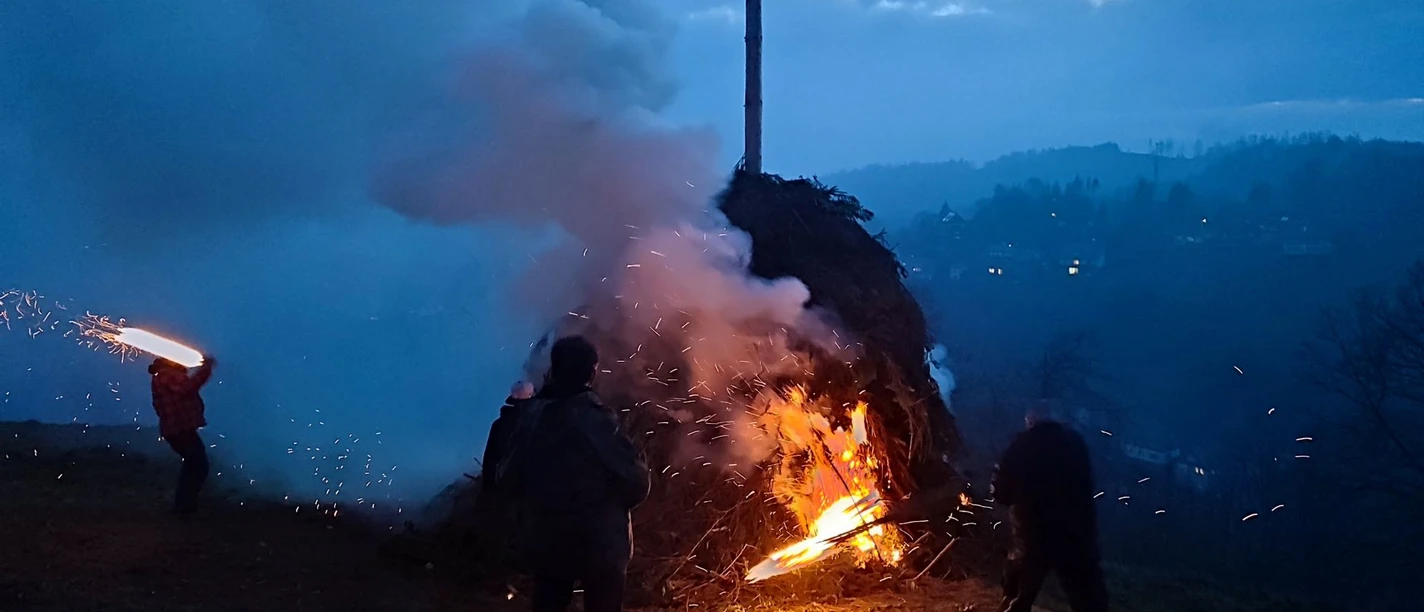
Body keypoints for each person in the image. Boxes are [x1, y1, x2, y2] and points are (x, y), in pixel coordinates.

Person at [496, 336, 650, 612]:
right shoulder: (595, 419)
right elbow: (637, 481)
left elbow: (507, 478)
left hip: (547, 542)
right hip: (599, 546)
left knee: (549, 601)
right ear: (592, 372)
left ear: (553, 369)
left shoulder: (531, 417)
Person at [991, 405, 1109, 612]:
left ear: (1031, 420)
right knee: (1088, 599)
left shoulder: (1020, 445)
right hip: (1076, 536)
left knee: (1018, 596)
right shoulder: (1075, 443)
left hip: (1033, 535)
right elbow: (1088, 485)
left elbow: (1002, 493)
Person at [148, 355, 216, 516]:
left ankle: (185, 507)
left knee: (193, 466)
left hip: (178, 429)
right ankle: (184, 509)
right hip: (180, 429)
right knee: (198, 466)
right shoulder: (167, 374)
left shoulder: (163, 374)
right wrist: (206, 368)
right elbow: (188, 387)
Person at [481, 381, 535, 494]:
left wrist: (488, 488)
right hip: (534, 485)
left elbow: (489, 458)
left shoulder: (499, 424)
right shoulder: (538, 420)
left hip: (507, 483)